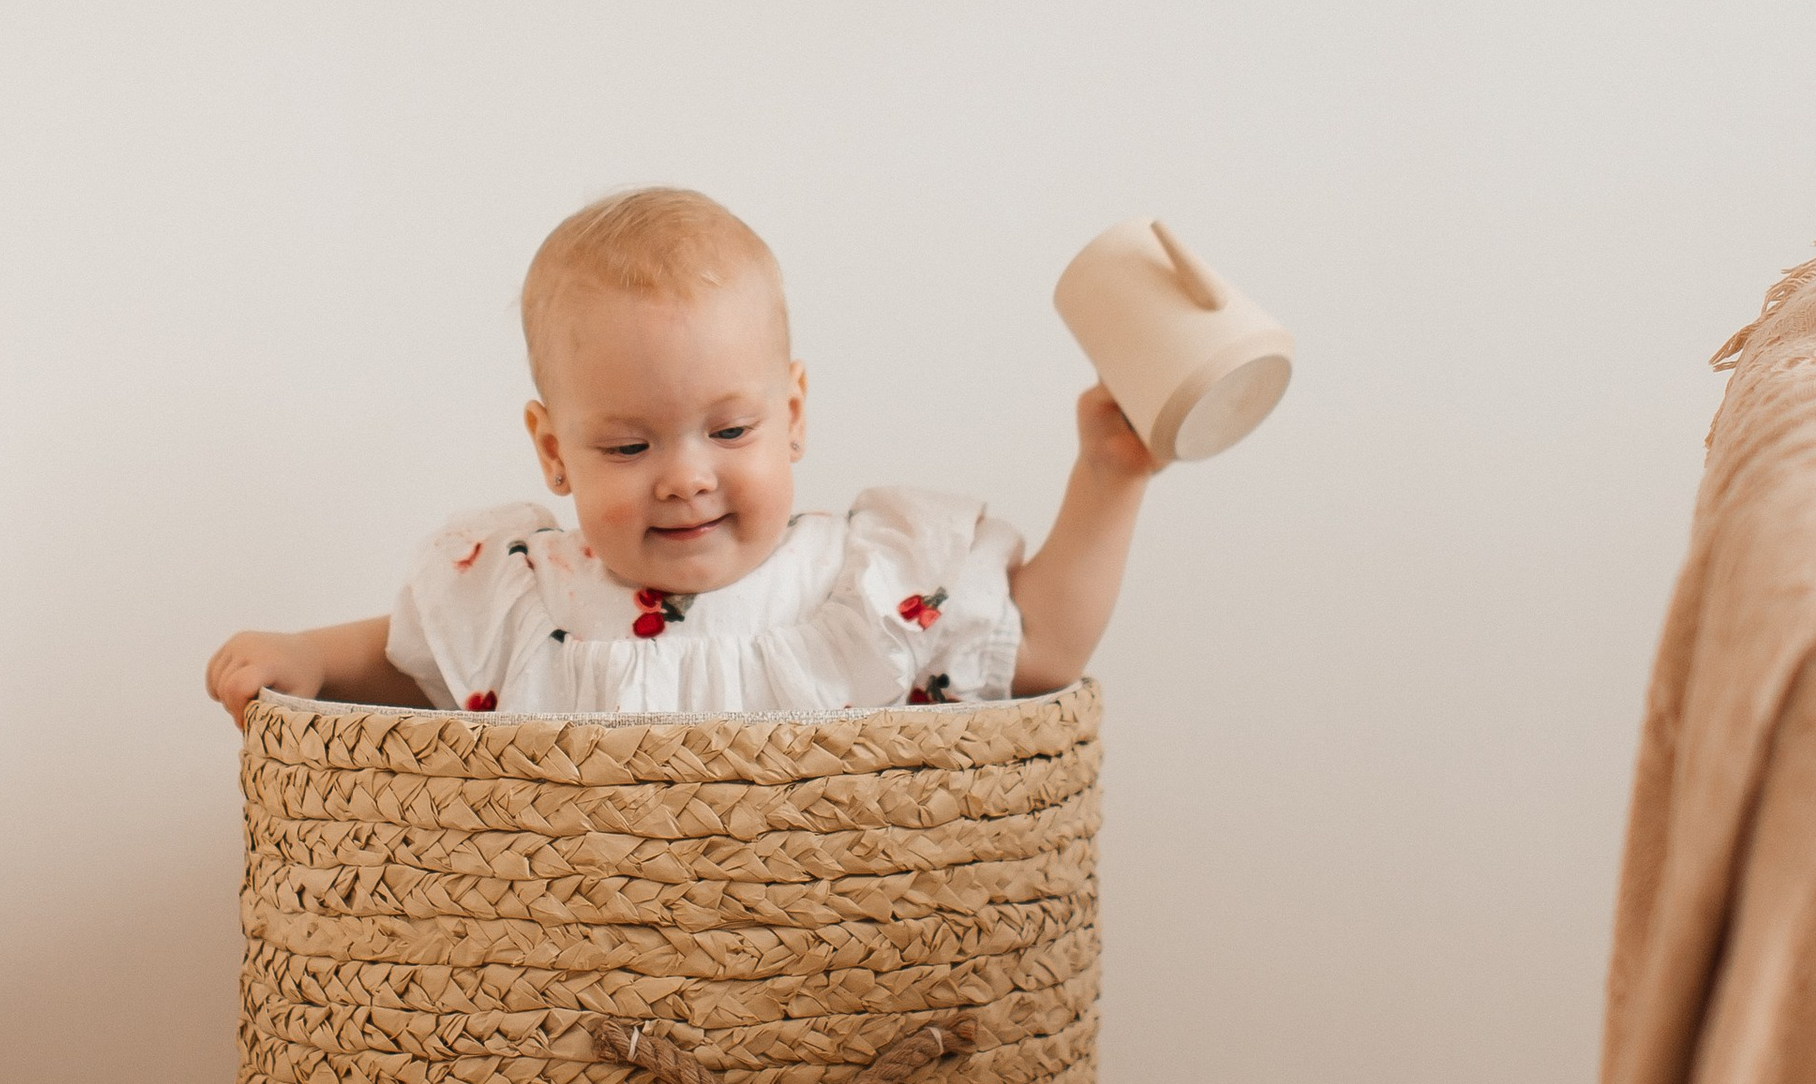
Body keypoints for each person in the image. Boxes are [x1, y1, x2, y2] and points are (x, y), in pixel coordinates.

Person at [205, 184, 1156, 725]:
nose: (688, 477)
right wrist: (308, 657)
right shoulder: (531, 599)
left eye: (731, 432)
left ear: (793, 414)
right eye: (628, 444)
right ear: (554, 452)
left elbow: (1041, 652)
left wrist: (1108, 476)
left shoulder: (865, 587)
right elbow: (412, 660)